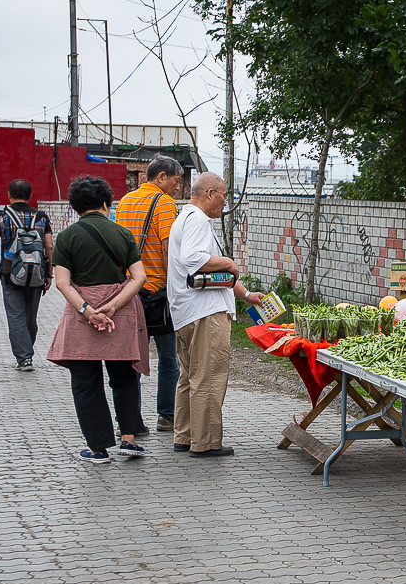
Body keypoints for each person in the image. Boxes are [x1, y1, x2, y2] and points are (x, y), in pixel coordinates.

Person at [47, 175, 149, 462]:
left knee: (86, 384)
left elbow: (62, 283)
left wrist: (86, 310)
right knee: (125, 378)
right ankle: (128, 439)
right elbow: (139, 277)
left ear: (76, 206)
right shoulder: (122, 233)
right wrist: (113, 306)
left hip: (81, 319)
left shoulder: (66, 236)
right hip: (120, 315)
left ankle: (98, 448)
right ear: (107, 202)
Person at [167, 172, 264, 458]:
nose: (225, 202)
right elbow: (194, 259)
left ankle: (184, 436)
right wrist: (229, 262)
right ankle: (206, 442)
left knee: (190, 376)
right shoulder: (197, 219)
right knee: (209, 377)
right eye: (223, 195)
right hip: (205, 313)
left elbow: (212, 276)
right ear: (210, 193)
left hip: (187, 312)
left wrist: (246, 295)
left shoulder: (184, 218)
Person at [115, 155, 184, 435]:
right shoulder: (164, 202)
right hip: (158, 291)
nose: (178, 188)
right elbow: (168, 248)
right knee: (169, 357)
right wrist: (176, 287)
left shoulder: (125, 201)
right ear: (161, 177)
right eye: (176, 181)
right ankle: (166, 416)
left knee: (132, 356)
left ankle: (131, 421)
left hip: (129, 290)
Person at [0, 179, 53, 371]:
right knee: (30, 317)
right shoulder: (42, 217)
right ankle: (26, 351)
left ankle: (24, 358)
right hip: (37, 273)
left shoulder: (2, 216)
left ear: (9, 196)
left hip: (10, 273)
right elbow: (49, 246)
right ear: (30, 196)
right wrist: (50, 273)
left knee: (16, 316)